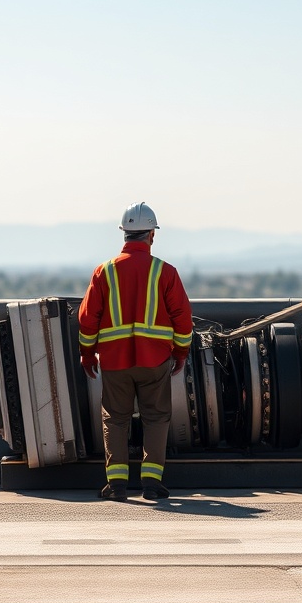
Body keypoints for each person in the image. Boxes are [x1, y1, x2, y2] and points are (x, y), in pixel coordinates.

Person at [77, 202, 193, 501]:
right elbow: (182, 318)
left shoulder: (104, 272)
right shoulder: (165, 272)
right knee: (155, 418)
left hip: (114, 361)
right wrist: (180, 353)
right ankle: (152, 484)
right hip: (155, 360)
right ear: (151, 235)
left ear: (124, 234)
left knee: (115, 419)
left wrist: (88, 355)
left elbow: (88, 319)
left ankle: (116, 485)